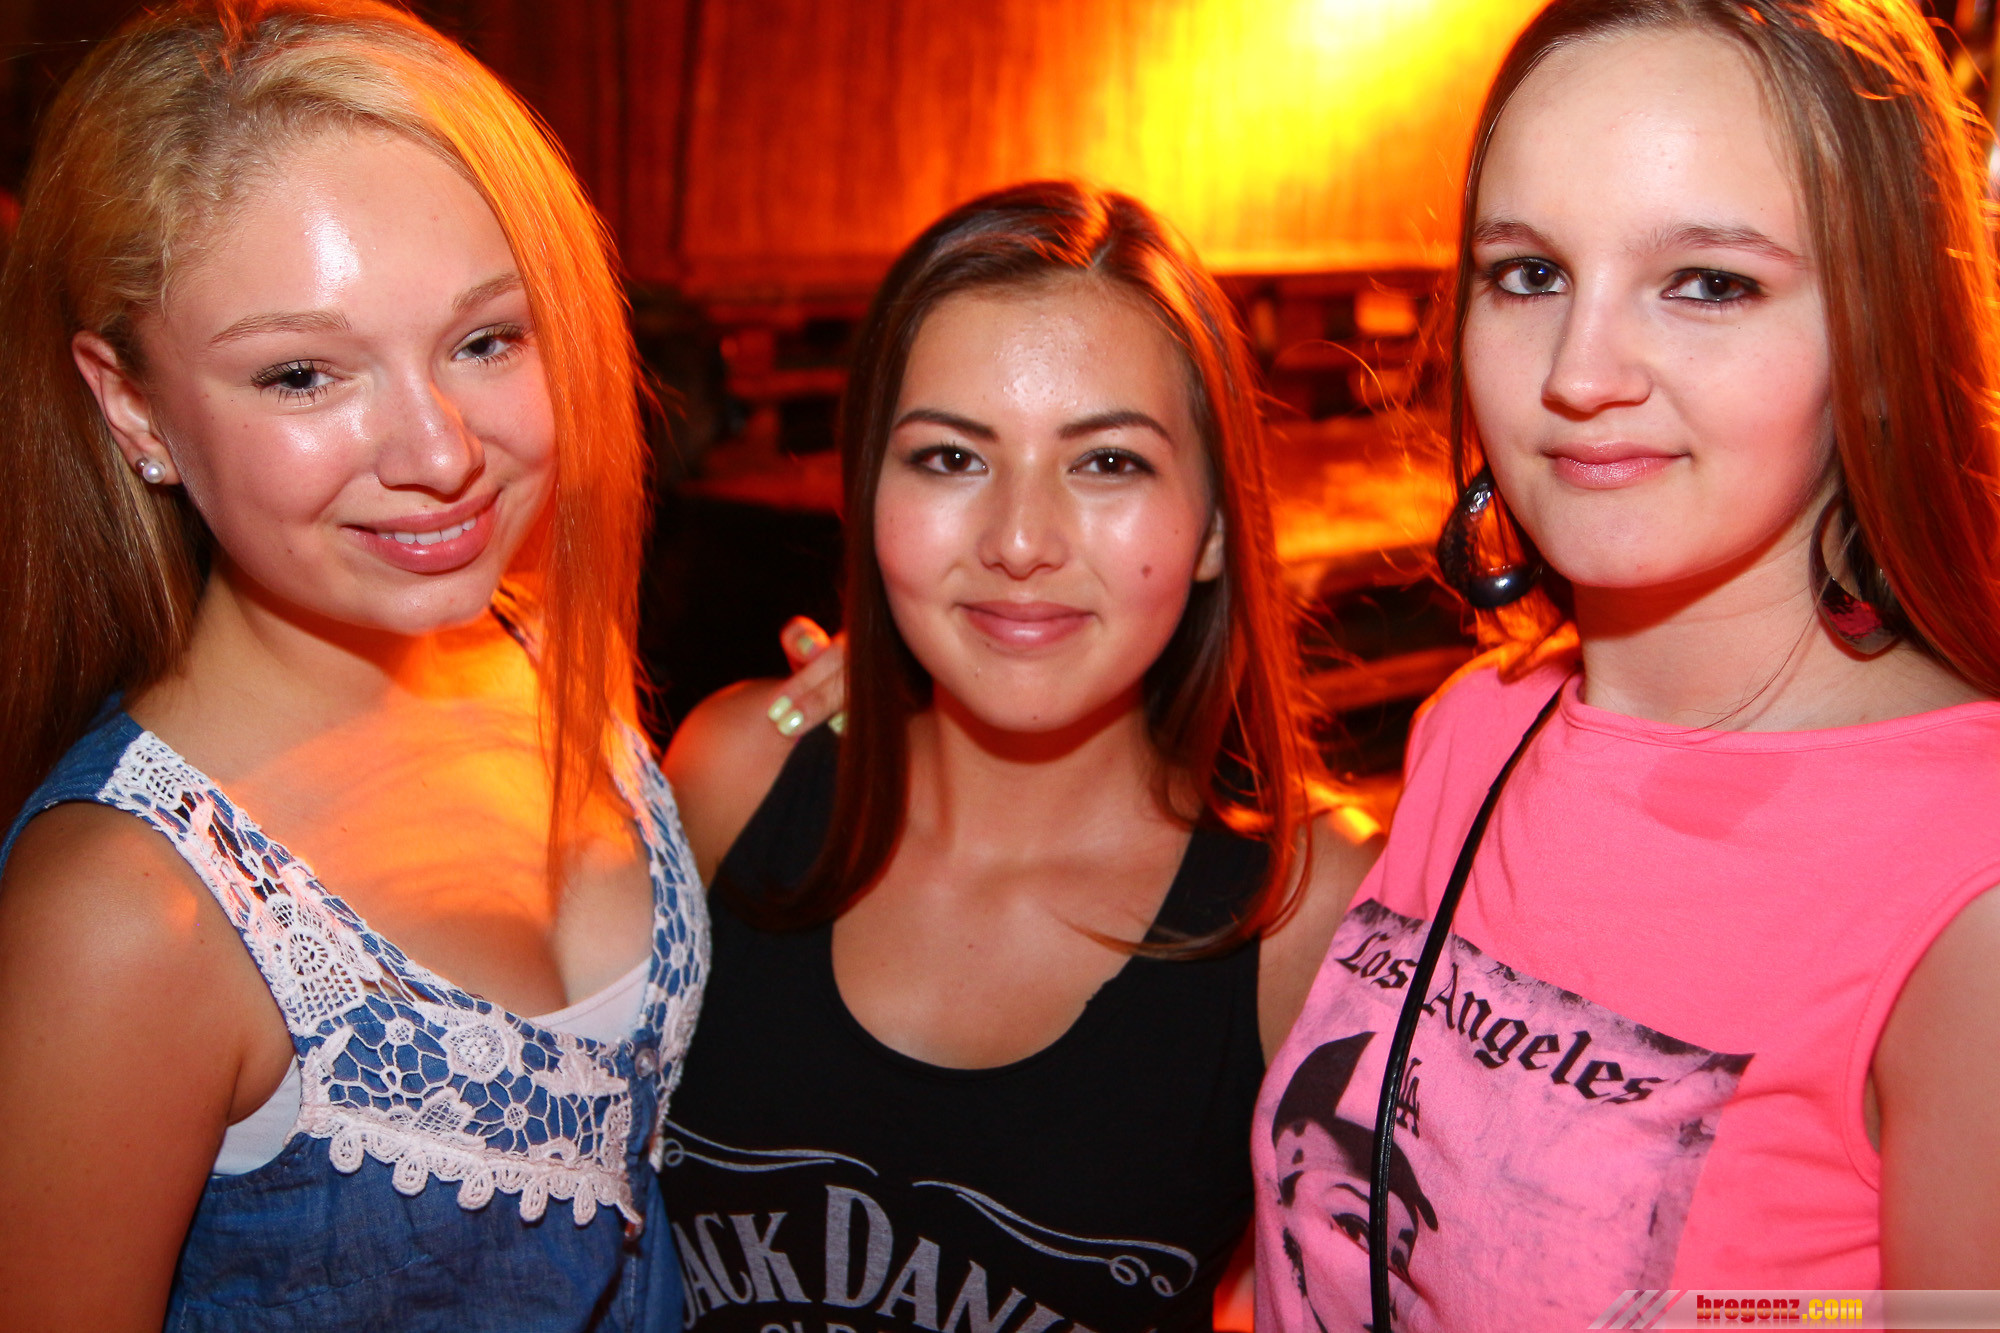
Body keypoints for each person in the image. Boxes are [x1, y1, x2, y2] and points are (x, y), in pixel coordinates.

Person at [1251, 1, 2000, 1329]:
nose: (1579, 372)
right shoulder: (1474, 726)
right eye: (1528, 273)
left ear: (1881, 343)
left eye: (1708, 282)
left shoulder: (1970, 888)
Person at [0, 3, 707, 1329]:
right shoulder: (124, 913)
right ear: (131, 403)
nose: (441, 454)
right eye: (302, 375)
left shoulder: (539, 638)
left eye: (486, 340)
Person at [658, 181, 1378, 1333]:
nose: (1019, 541)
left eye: (1107, 463)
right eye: (950, 458)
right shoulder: (736, 771)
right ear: (867, 494)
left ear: (1210, 526)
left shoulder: (1305, 913)